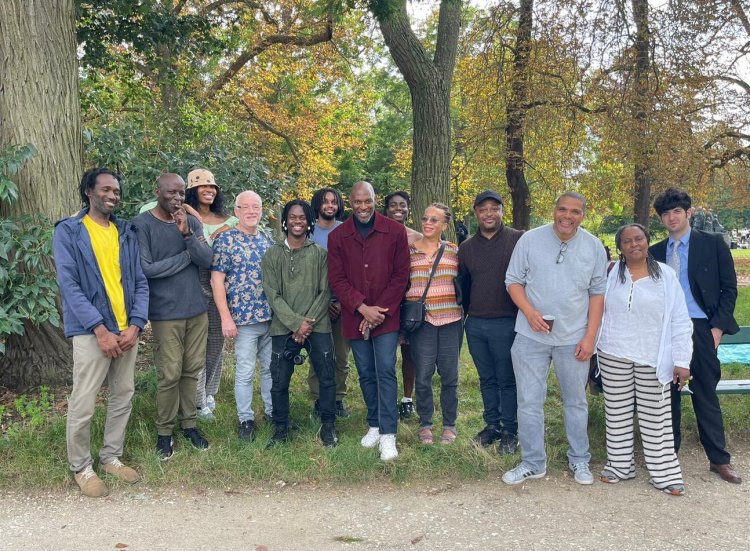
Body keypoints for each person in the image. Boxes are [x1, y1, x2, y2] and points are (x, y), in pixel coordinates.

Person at [53, 168, 149, 497]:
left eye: (116, 191)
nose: (112, 195)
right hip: (91, 331)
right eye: (106, 189)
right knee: (84, 401)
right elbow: (70, 286)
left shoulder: (126, 231)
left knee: (123, 394)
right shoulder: (69, 231)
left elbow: (139, 280)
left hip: (126, 330)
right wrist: (100, 329)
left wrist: (136, 324)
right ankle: (81, 467)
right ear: (89, 192)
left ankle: (111, 457)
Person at [503, 192, 607, 485]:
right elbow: (513, 281)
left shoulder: (593, 247)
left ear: (582, 215)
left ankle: (580, 460)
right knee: (528, 402)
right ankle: (533, 462)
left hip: (573, 338)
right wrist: (529, 311)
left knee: (575, 402)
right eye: (563, 209)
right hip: (530, 336)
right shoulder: (530, 240)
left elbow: (598, 294)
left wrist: (590, 338)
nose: (567, 216)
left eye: (575, 211)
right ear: (554, 210)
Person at [651, 188, 742, 484]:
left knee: (705, 393)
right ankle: (669, 455)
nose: (671, 218)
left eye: (677, 212)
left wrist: (716, 329)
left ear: (688, 213)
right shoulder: (655, 252)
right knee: (668, 395)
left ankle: (719, 459)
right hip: (667, 330)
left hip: (702, 328)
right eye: (665, 214)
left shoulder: (713, 245)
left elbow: (729, 289)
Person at [597, 223, 692, 496]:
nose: (633, 244)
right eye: (627, 241)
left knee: (656, 418)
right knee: (617, 413)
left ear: (648, 241)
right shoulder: (611, 273)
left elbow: (680, 319)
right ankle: (619, 466)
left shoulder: (666, 275)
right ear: (620, 247)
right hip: (613, 352)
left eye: (638, 239)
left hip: (653, 355)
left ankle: (664, 474)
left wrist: (682, 359)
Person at [132, 173, 213, 459]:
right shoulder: (142, 225)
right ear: (157, 191)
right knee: (169, 374)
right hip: (166, 313)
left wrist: (188, 236)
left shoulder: (189, 222)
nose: (177, 198)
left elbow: (207, 259)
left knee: (191, 371)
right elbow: (146, 269)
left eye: (181, 193)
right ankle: (164, 432)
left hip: (196, 310)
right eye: (171, 192)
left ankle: (189, 425)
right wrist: (185, 257)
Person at [327, 181, 410, 461]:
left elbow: (401, 276)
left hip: (386, 317)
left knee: (385, 370)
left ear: (376, 200)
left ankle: (389, 433)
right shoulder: (338, 236)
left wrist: (378, 312)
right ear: (350, 202)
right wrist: (362, 308)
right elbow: (337, 279)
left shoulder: (395, 231)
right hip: (355, 317)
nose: (363, 207)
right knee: (365, 372)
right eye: (358, 202)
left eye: (368, 201)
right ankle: (374, 424)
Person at [262, 200, 338, 448]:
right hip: (283, 327)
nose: (297, 221)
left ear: (309, 221)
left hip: (318, 325)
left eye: (302, 217)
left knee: (326, 377)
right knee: (279, 381)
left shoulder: (320, 254)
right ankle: (280, 428)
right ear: (285, 221)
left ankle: (328, 426)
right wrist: (296, 323)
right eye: (292, 217)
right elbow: (272, 294)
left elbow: (325, 292)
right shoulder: (273, 254)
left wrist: (307, 324)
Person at [458, 190, 523, 453]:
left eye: (494, 208)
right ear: (476, 213)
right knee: (487, 379)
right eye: (482, 209)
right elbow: (463, 285)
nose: (488, 213)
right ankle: (492, 425)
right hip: (476, 323)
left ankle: (510, 429)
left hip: (508, 321)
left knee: (507, 378)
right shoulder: (466, 248)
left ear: (502, 211)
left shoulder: (518, 240)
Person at [211, 190, 275, 443]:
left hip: (270, 317)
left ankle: (272, 413)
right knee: (246, 372)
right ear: (236, 211)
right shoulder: (225, 241)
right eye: (245, 207)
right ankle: (245, 419)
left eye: (256, 206)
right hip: (243, 320)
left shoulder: (267, 240)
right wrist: (226, 317)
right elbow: (217, 281)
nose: (251, 211)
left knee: (271, 370)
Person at [182, 169, 239, 421]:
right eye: (202, 185)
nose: (209, 190)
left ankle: (209, 392)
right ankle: (196, 399)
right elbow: (149, 206)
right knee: (196, 343)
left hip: (222, 284)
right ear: (192, 190)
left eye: (212, 186)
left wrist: (224, 228)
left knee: (216, 341)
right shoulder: (184, 216)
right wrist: (190, 211)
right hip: (195, 281)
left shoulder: (229, 220)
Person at [405, 203, 463, 445]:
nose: (427, 223)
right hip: (423, 323)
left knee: (450, 376)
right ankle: (426, 424)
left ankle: (449, 425)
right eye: (425, 218)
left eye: (434, 220)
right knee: (423, 376)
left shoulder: (453, 251)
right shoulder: (409, 252)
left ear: (444, 225)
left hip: (451, 321)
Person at [307, 187, 350, 418]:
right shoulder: (308, 232)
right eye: (325, 202)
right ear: (318, 204)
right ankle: (318, 399)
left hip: (344, 305)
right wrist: (321, 303)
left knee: (341, 356)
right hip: (315, 306)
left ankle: (338, 398)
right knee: (318, 356)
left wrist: (343, 302)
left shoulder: (347, 231)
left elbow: (353, 271)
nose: (330, 205)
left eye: (334, 201)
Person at [383, 190, 422, 420]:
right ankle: (386, 398)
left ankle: (407, 398)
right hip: (386, 301)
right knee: (386, 354)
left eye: (403, 205)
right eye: (393, 205)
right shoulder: (378, 234)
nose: (398, 208)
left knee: (410, 353)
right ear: (386, 208)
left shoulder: (417, 237)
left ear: (408, 209)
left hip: (410, 301)